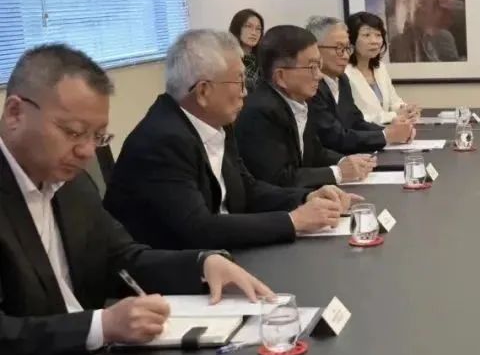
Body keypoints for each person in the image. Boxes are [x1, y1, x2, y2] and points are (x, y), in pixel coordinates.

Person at [0, 45, 272, 355]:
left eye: (97, 136)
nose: (86, 151)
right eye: (73, 132)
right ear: (15, 113)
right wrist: (101, 326)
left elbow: (122, 257)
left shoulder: (72, 185)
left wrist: (202, 264)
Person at [104, 30, 362, 250]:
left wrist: (306, 198)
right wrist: (293, 221)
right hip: (176, 277)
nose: (245, 92)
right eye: (239, 81)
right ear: (203, 91)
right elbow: (198, 228)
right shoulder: (162, 140)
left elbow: (247, 189)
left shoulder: (217, 124)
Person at [234, 25, 376, 188]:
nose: (319, 75)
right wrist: (338, 172)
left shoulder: (300, 101)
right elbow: (278, 178)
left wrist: (345, 161)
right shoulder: (259, 112)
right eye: (312, 67)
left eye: (319, 66)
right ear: (281, 76)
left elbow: (315, 153)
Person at [306, 16, 414, 154]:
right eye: (339, 48)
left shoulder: (342, 79)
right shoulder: (310, 86)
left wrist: (394, 132)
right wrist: (386, 135)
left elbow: (356, 122)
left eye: (347, 48)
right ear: (315, 50)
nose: (345, 56)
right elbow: (333, 137)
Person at [345, 11, 418, 125]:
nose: (374, 41)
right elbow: (354, 118)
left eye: (378, 35)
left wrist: (405, 109)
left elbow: (394, 102)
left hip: (388, 131)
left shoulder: (380, 68)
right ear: (351, 40)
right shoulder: (344, 73)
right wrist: (393, 116)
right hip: (362, 134)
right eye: (366, 35)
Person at [228, 8, 264, 91]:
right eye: (248, 26)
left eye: (258, 29)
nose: (254, 33)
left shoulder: (263, 61)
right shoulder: (227, 60)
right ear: (237, 28)